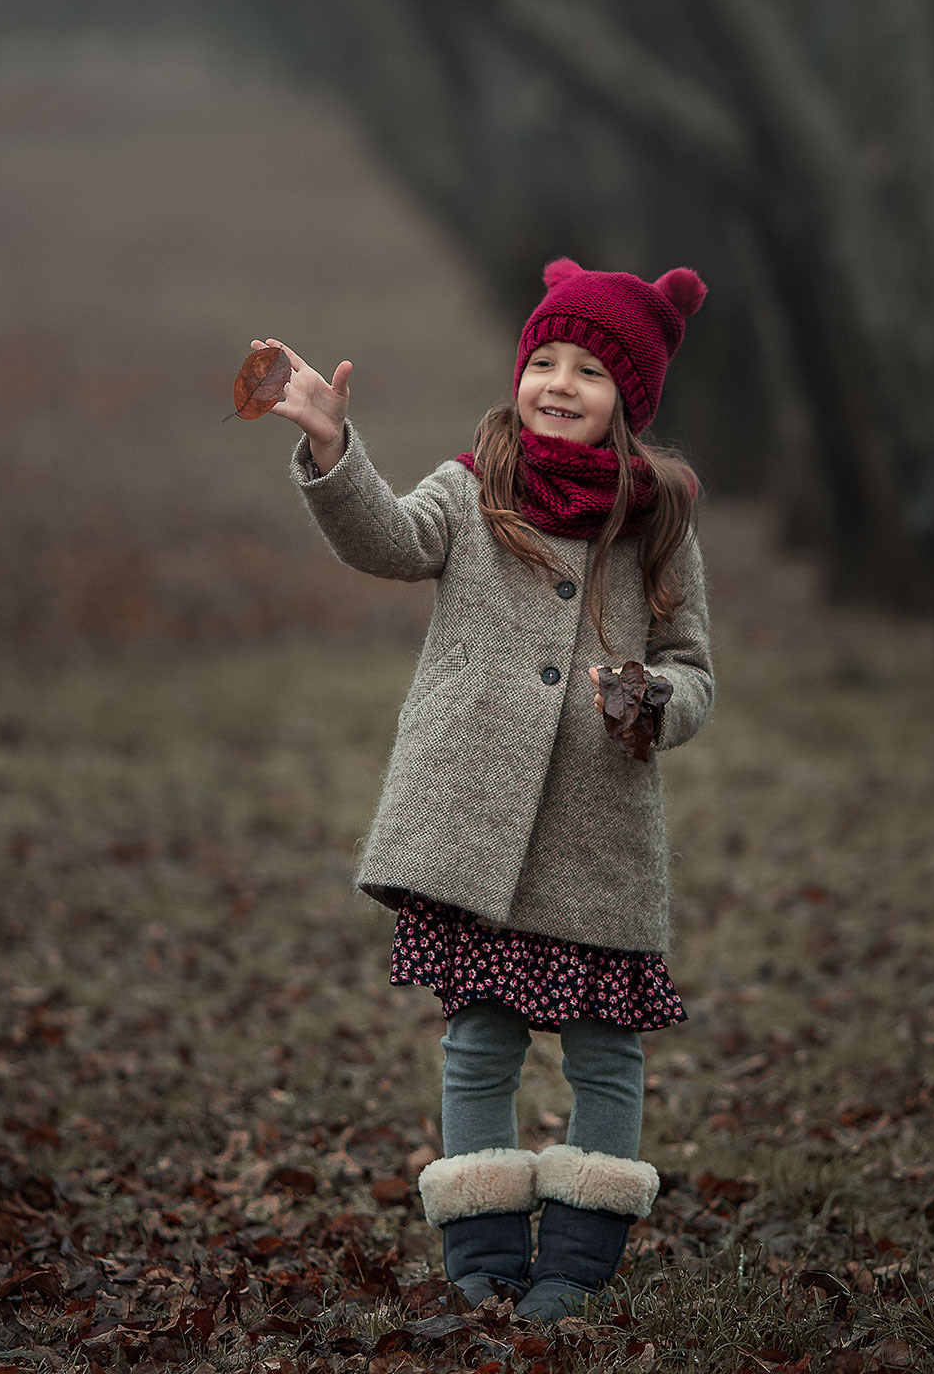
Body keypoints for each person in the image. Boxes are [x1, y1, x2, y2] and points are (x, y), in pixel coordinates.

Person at [254, 257, 714, 1320]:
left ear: (628, 402)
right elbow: (387, 539)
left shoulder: (659, 521)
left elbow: (694, 668)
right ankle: (484, 1259)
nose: (558, 382)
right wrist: (330, 442)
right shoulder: (470, 490)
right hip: (472, 830)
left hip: (596, 836)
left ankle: (577, 1268)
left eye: (589, 371)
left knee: (603, 1053)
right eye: (543, 360)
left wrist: (653, 700)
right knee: (478, 1041)